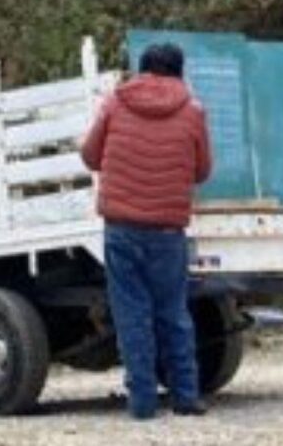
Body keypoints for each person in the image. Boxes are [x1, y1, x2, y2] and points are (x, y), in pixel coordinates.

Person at [80, 42, 213, 420]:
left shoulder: (114, 103)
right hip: (168, 231)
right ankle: (186, 397)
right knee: (173, 313)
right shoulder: (193, 111)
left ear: (141, 69)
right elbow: (202, 171)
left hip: (121, 228)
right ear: (179, 71)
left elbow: (90, 156)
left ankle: (142, 404)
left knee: (131, 315)